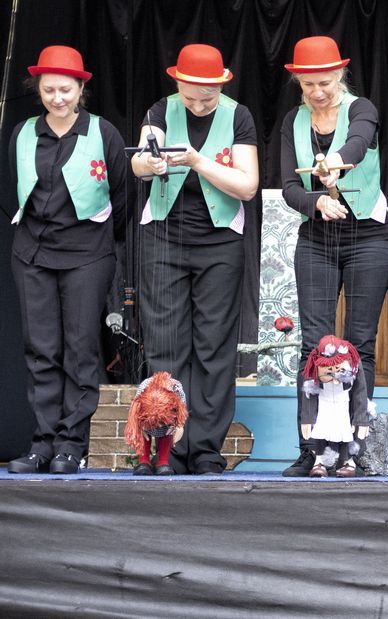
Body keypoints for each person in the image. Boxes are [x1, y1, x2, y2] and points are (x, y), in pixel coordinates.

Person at [130, 44, 260, 474]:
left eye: (208, 97)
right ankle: (163, 448)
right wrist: (151, 163)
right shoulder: (160, 110)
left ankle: (204, 449)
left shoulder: (238, 116)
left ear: (221, 86)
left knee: (213, 347)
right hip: (164, 238)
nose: (199, 105)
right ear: (178, 84)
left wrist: (198, 161)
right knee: (166, 344)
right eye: (190, 97)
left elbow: (247, 186)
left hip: (219, 241)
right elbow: (139, 162)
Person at [7, 46, 127, 474]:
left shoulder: (103, 132)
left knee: (80, 349)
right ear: (38, 89)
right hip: (32, 252)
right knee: (40, 350)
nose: (57, 98)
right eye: (49, 90)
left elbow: (121, 197)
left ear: (80, 89)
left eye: (65, 89)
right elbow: (19, 185)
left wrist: (98, 238)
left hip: (87, 254)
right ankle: (42, 443)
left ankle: (70, 446)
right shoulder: (23, 133)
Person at [279, 35, 388, 477]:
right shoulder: (293, 122)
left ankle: (352, 450)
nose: (318, 92)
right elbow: (290, 187)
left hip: (368, 236)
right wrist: (316, 203)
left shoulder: (361, 109)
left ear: (340, 76)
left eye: (325, 83)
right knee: (315, 346)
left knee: (359, 344)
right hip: (317, 238)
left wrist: (336, 163)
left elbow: (360, 142)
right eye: (309, 85)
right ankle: (312, 450)